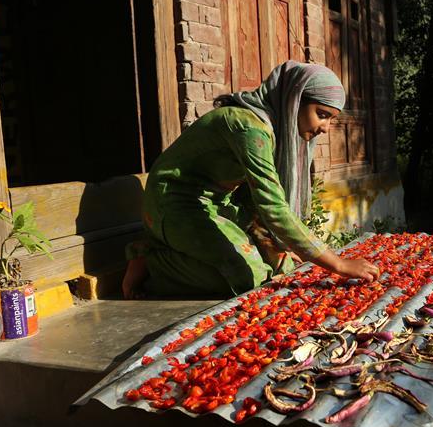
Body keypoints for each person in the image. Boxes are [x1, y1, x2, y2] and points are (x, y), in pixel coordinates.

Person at [122, 61, 379, 298]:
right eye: (321, 114)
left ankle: (179, 253)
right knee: (248, 277)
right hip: (173, 202)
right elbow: (273, 207)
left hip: (216, 203)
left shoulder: (273, 131)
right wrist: (338, 264)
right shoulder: (249, 127)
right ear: (293, 100)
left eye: (331, 119)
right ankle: (151, 261)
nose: (325, 128)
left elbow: (252, 201)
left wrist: (275, 247)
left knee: (281, 267)